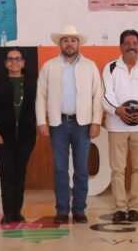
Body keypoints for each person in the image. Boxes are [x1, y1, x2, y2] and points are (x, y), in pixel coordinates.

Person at [37, 25, 102, 225]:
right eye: (65, 40)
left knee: (81, 169)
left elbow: (97, 95)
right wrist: (42, 121)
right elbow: (41, 95)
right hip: (58, 124)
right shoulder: (49, 66)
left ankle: (80, 209)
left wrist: (96, 121)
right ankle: (62, 210)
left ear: (78, 43)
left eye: (73, 40)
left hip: (83, 124)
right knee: (60, 169)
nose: (69, 44)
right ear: (60, 44)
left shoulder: (90, 66)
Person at [102, 29, 138, 223]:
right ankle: (120, 208)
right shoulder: (110, 68)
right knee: (117, 169)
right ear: (120, 46)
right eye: (127, 43)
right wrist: (116, 110)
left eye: (135, 43)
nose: (131, 47)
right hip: (116, 125)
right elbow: (106, 95)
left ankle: (134, 207)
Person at [0, 48, 37, 225]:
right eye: (10, 59)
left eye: (17, 59)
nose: (14, 62)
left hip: (26, 134)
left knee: (20, 172)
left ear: (23, 63)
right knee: (6, 173)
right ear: (6, 63)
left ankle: (17, 212)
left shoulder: (32, 82)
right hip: (2, 135)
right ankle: (7, 213)